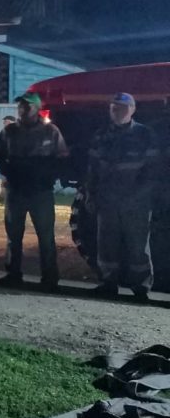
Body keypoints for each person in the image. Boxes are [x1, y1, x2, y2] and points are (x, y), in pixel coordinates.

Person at [85, 93, 160, 302]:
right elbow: (92, 169)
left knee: (138, 246)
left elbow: (154, 170)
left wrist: (141, 195)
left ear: (133, 110)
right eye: (114, 107)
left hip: (136, 202)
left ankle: (141, 287)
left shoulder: (145, 135)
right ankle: (108, 283)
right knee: (106, 244)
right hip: (108, 199)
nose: (118, 111)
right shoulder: (101, 135)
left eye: (123, 107)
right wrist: (90, 194)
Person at [0, 92, 69, 290]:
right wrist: (8, 171)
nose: (22, 110)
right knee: (13, 236)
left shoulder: (50, 131)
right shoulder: (9, 131)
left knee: (46, 236)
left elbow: (62, 157)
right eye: (20, 106)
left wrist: (48, 176)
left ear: (37, 108)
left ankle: (50, 278)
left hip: (40, 191)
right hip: (16, 190)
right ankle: (13, 274)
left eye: (27, 106)